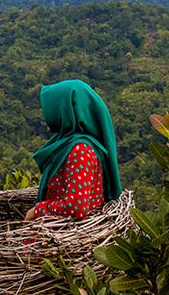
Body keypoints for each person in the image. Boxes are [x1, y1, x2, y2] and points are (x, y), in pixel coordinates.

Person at [24, 79, 122, 220]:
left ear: (66, 110)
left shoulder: (81, 150)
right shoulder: (69, 144)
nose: (46, 115)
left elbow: (76, 207)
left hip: (60, 234)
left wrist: (36, 211)